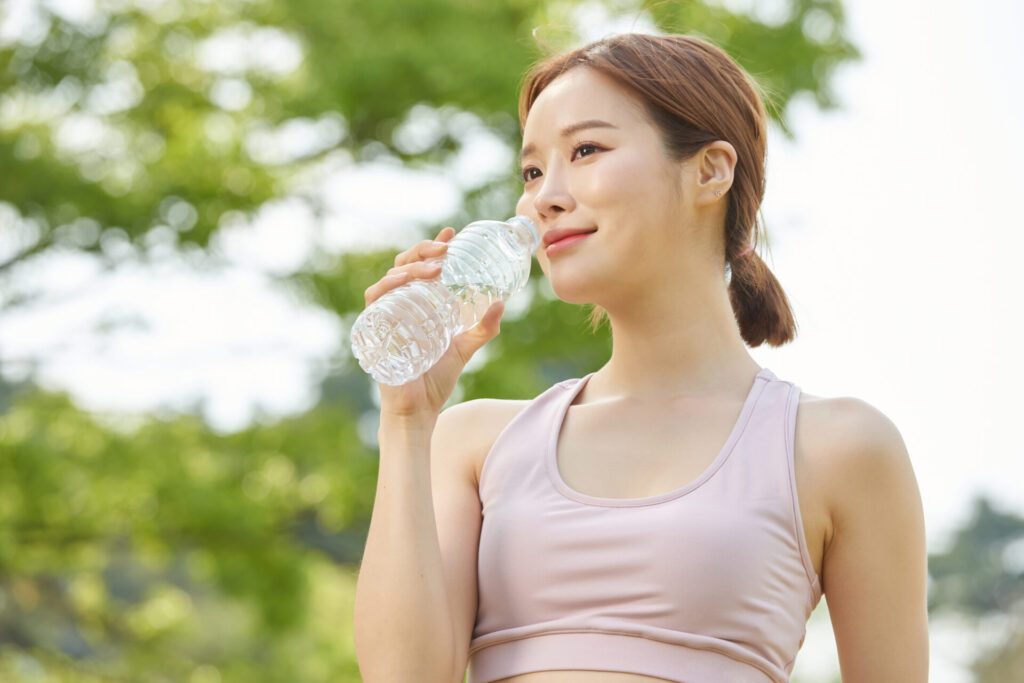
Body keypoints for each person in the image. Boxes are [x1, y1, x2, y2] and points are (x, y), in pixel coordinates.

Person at [353, 32, 928, 683]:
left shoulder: (841, 449)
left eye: (587, 150)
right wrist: (405, 418)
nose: (544, 197)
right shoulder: (474, 442)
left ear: (710, 169)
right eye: (533, 170)